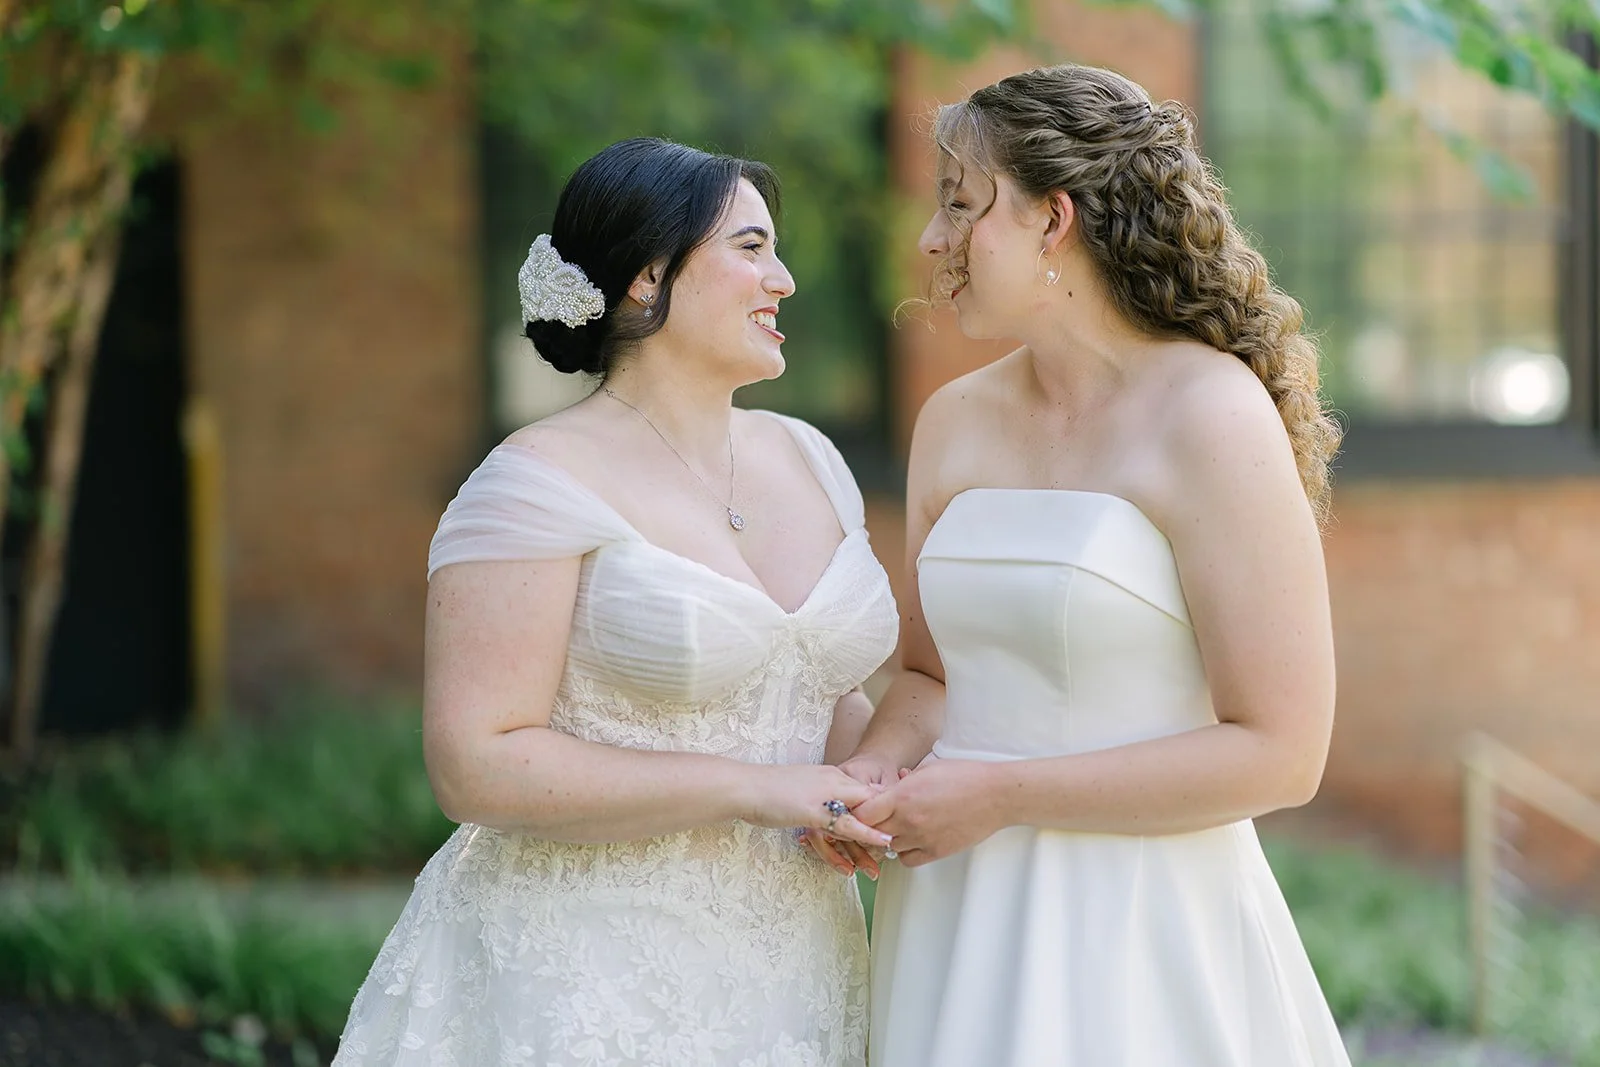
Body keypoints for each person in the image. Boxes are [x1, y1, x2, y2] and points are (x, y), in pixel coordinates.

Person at [332, 137, 898, 1067]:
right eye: (751, 248)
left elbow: (807, 689)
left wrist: (876, 783)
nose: (784, 278)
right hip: (584, 980)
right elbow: (477, 764)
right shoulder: (532, 484)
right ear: (646, 274)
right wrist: (755, 791)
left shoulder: (812, 458)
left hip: (798, 969)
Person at [846, 65, 1354, 1066]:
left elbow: (1283, 752)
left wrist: (1001, 793)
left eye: (960, 204)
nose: (932, 240)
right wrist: (871, 770)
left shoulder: (1209, 416)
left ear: (1052, 219)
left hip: (1136, 923)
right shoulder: (951, 421)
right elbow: (926, 675)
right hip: (951, 908)